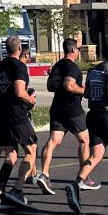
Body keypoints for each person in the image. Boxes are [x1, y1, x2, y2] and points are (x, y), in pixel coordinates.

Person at [66, 43, 108, 213]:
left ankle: (77, 184)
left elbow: (87, 92)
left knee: (96, 155)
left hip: (93, 115)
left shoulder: (93, 70)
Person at [37, 38, 96, 195]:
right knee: (84, 140)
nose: (78, 52)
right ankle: (83, 178)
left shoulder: (57, 66)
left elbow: (50, 86)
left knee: (53, 141)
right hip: (72, 110)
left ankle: (44, 174)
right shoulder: (72, 68)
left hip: (57, 108)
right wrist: (84, 91)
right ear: (72, 50)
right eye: (77, 49)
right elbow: (69, 85)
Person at [0, 35, 37, 207]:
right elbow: (19, 92)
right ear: (19, 49)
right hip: (16, 115)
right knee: (31, 150)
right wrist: (30, 99)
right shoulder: (19, 66)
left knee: (11, 155)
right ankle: (17, 189)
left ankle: (0, 193)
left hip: (1, 114)